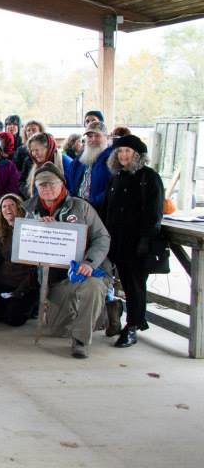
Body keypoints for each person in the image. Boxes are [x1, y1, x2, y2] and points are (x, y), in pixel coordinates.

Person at [24, 162, 111, 359]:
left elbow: (102, 237)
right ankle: (99, 316)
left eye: (51, 184)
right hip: (54, 278)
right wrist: (40, 231)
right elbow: (26, 248)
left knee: (93, 287)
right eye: (42, 185)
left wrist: (90, 262)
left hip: (83, 272)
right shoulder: (30, 210)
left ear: (62, 184)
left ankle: (81, 341)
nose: (47, 188)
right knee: (58, 330)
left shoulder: (81, 207)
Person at [102, 135, 164, 348]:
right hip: (116, 241)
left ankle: (133, 326)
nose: (123, 155)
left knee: (135, 286)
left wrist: (145, 240)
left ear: (137, 154)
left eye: (127, 151)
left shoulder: (149, 177)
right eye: (120, 151)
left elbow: (155, 213)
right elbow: (108, 209)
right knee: (124, 284)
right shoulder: (117, 177)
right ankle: (121, 318)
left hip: (137, 243)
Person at [0, 193, 38, 327]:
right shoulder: (2, 233)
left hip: (25, 285)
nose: (8, 209)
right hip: (5, 282)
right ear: (1, 212)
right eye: (4, 206)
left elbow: (35, 268)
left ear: (19, 208)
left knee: (13, 320)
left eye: (11, 205)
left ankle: (31, 307)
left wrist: (20, 290)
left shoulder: (31, 229)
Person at [65, 121, 113, 212]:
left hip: (100, 211)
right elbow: (69, 183)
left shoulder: (112, 160)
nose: (93, 139)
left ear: (106, 137)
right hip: (76, 209)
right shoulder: (79, 160)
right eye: (90, 136)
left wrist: (90, 204)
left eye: (97, 135)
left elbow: (111, 189)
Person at [19, 131, 64, 198]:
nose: (34, 154)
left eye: (37, 150)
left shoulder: (65, 163)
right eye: (32, 151)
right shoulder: (37, 165)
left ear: (48, 148)